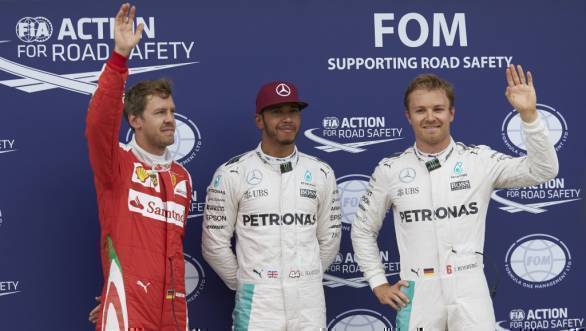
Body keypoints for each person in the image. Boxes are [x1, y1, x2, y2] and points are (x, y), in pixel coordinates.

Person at [351, 65, 558, 330]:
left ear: (451, 113)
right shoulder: (390, 169)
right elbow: (362, 230)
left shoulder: (479, 161)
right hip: (417, 291)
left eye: (437, 109)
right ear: (408, 116)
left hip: (470, 287)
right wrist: (378, 283)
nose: (430, 117)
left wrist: (529, 115)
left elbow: (544, 170)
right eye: (420, 110)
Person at [201, 81, 342, 330]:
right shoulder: (232, 173)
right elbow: (214, 244)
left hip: (308, 301)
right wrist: (248, 283)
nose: (287, 119)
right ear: (259, 120)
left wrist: (305, 276)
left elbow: (330, 239)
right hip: (258, 302)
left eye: (293, 111)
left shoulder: (321, 172)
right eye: (277, 112)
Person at [86, 3, 192, 330]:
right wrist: (119, 58)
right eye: (160, 113)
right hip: (128, 306)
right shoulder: (117, 164)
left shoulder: (182, 178)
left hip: (174, 309)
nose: (171, 120)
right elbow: (98, 123)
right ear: (134, 120)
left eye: (172, 111)